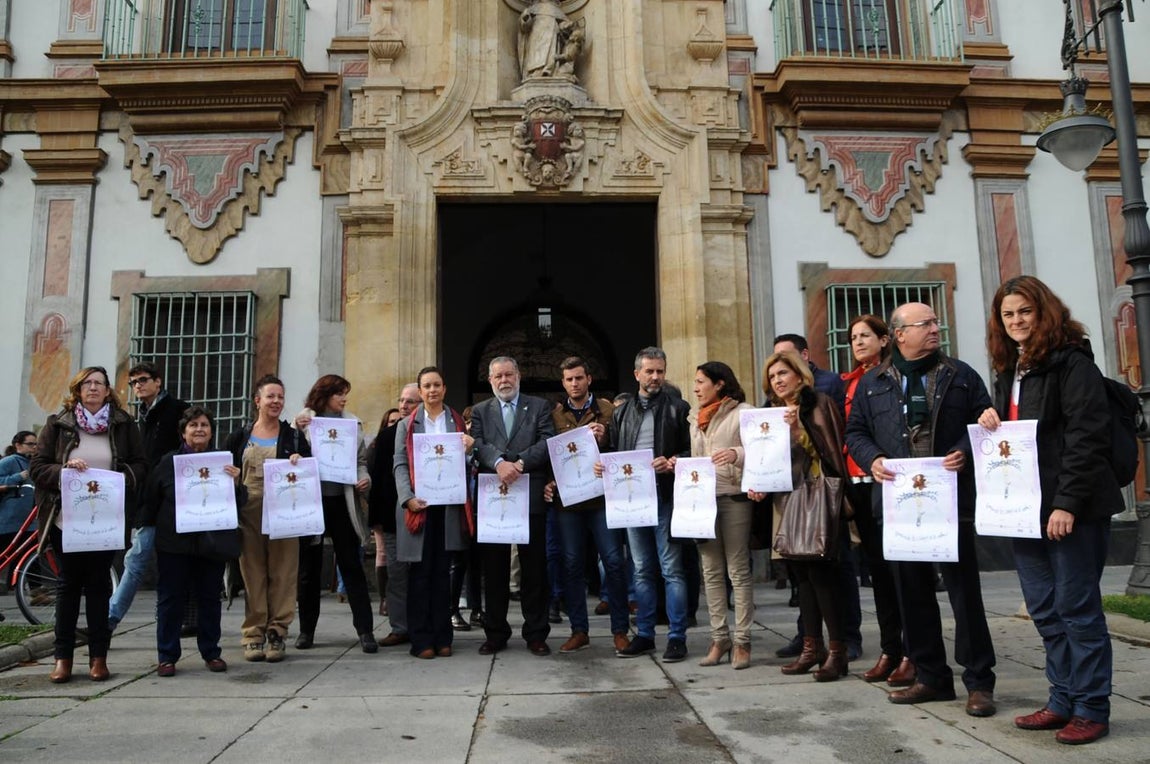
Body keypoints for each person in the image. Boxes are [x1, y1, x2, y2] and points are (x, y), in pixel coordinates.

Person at [978, 276, 1120, 745]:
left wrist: (1067, 504)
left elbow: (1087, 436)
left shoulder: (1071, 361)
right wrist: (993, 418)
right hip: (1023, 507)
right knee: (1044, 610)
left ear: (1044, 312)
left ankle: (1092, 707)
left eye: (1025, 312)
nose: (1017, 321)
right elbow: (1019, 435)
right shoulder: (1009, 367)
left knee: (1077, 610)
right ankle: (1062, 699)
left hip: (1068, 508)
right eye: (1008, 314)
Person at [845, 302, 998, 717]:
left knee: (964, 593)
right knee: (911, 592)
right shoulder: (873, 382)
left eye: (935, 321)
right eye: (925, 324)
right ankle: (930, 676)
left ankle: (979, 682)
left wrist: (964, 452)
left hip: (951, 499)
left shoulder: (960, 375)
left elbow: (986, 423)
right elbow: (855, 431)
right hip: (898, 503)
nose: (935, 328)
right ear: (899, 335)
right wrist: (873, 458)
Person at [31, 366, 147, 683]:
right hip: (66, 520)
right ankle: (63, 659)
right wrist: (64, 469)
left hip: (105, 521)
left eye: (99, 383)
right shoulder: (58, 425)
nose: (93, 388)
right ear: (78, 390)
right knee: (68, 588)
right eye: (87, 383)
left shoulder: (123, 425)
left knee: (98, 589)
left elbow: (141, 465)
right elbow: (37, 468)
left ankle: (98, 658)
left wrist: (119, 479)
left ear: (108, 390)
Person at [753, 350, 852, 682]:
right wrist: (758, 483)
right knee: (801, 577)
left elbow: (830, 453)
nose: (778, 381)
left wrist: (798, 431)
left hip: (818, 499)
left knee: (822, 577)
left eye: (783, 373)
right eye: (773, 377)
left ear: (799, 374)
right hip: (788, 500)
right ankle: (812, 648)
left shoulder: (818, 404)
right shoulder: (772, 412)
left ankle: (837, 652)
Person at [599, 347, 691, 663]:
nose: (655, 377)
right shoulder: (621, 413)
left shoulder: (679, 409)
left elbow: (691, 452)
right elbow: (612, 450)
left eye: (660, 371)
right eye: (649, 371)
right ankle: (647, 635)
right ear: (636, 374)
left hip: (664, 497)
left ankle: (677, 637)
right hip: (632, 501)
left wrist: (677, 461)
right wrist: (602, 465)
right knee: (641, 571)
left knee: (672, 570)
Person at [841, 315, 913, 686]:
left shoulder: (892, 377)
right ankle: (890, 648)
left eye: (865, 335)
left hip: (889, 483)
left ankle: (911, 649)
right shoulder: (853, 382)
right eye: (853, 337)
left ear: (886, 339)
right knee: (878, 575)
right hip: (859, 483)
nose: (857, 342)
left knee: (899, 574)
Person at [141, 405, 239, 677]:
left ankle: (211, 652)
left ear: (211, 432)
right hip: (174, 544)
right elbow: (151, 499)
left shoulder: (223, 465)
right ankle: (167, 656)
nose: (199, 430)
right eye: (193, 425)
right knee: (171, 598)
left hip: (211, 543)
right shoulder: (168, 463)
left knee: (210, 598)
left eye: (204, 425)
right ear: (183, 432)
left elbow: (238, 504)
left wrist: (236, 483)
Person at [470, 356, 557, 656]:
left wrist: (518, 463)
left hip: (529, 496)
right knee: (494, 570)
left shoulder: (538, 406)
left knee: (534, 569)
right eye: (498, 376)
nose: (504, 380)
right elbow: (477, 443)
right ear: (490, 380)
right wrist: (498, 463)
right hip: (494, 497)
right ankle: (495, 633)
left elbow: (548, 441)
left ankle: (536, 633)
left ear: (518, 376)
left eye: (509, 374)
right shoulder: (481, 410)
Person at [544, 356, 630, 655]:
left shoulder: (609, 410)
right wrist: (549, 481)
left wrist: (606, 440)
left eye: (579, 378)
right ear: (563, 382)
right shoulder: (555, 415)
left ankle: (620, 630)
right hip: (568, 503)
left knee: (614, 562)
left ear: (588, 379)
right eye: (569, 379)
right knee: (571, 565)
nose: (574, 383)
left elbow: (625, 450)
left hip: (603, 499)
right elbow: (548, 455)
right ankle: (579, 630)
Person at [224, 375, 309, 664]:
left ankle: (277, 632)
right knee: (252, 575)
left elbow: (310, 474)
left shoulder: (294, 437)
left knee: (284, 575)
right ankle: (253, 635)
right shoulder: (240, 436)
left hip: (286, 514)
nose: (276, 402)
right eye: (270, 396)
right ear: (257, 400)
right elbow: (226, 474)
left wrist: (300, 461)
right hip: (249, 515)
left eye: (280, 397)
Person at [292, 375, 377, 653]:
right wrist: (296, 437)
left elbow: (360, 461)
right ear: (324, 394)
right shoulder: (304, 422)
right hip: (313, 503)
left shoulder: (352, 423)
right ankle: (306, 631)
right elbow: (292, 453)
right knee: (309, 570)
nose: (343, 399)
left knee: (351, 565)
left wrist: (364, 478)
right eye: (339, 393)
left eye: (345, 394)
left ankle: (365, 631)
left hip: (342, 502)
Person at [393, 366, 474, 659]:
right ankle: (421, 639)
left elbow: (469, 463)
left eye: (437, 385)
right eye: (426, 386)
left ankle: (443, 636)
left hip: (448, 507)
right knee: (420, 574)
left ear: (444, 388)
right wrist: (408, 498)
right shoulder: (408, 425)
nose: (432, 390)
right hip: (420, 507)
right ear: (420, 390)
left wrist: (470, 450)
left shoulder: (456, 422)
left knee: (443, 574)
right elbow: (400, 464)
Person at [108, 362, 190, 631]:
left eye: (143, 380)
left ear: (158, 381)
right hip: (148, 501)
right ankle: (110, 618)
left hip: (174, 500)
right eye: (133, 383)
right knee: (137, 561)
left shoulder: (178, 410)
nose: (138, 386)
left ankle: (167, 620)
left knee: (162, 564)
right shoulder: (138, 417)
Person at [687, 362, 754, 670]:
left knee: (737, 571)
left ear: (720, 384)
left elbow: (764, 451)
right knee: (710, 572)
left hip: (734, 496)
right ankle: (719, 639)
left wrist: (737, 454)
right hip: (702, 502)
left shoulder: (743, 413)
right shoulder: (694, 418)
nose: (697, 387)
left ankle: (743, 641)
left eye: (702, 382)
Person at [369, 383, 421, 646]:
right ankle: (400, 627)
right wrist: (376, 520)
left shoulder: (428, 432)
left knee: (421, 575)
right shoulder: (387, 437)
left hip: (423, 515)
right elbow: (378, 481)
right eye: (401, 400)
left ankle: (422, 625)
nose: (403, 406)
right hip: (392, 518)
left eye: (410, 401)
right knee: (397, 575)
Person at [368, 407, 401, 616]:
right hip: (383, 506)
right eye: (391, 421)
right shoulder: (378, 444)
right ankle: (385, 599)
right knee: (383, 553)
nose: (395, 424)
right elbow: (374, 476)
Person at [0, 431, 38, 595]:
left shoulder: (34, 463)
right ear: (18, 445)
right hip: (10, 519)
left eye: (36, 444)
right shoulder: (9, 461)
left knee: (31, 552)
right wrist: (16, 477)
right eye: (31, 444)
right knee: (7, 553)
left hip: (29, 519)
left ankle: (37, 590)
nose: (34, 448)